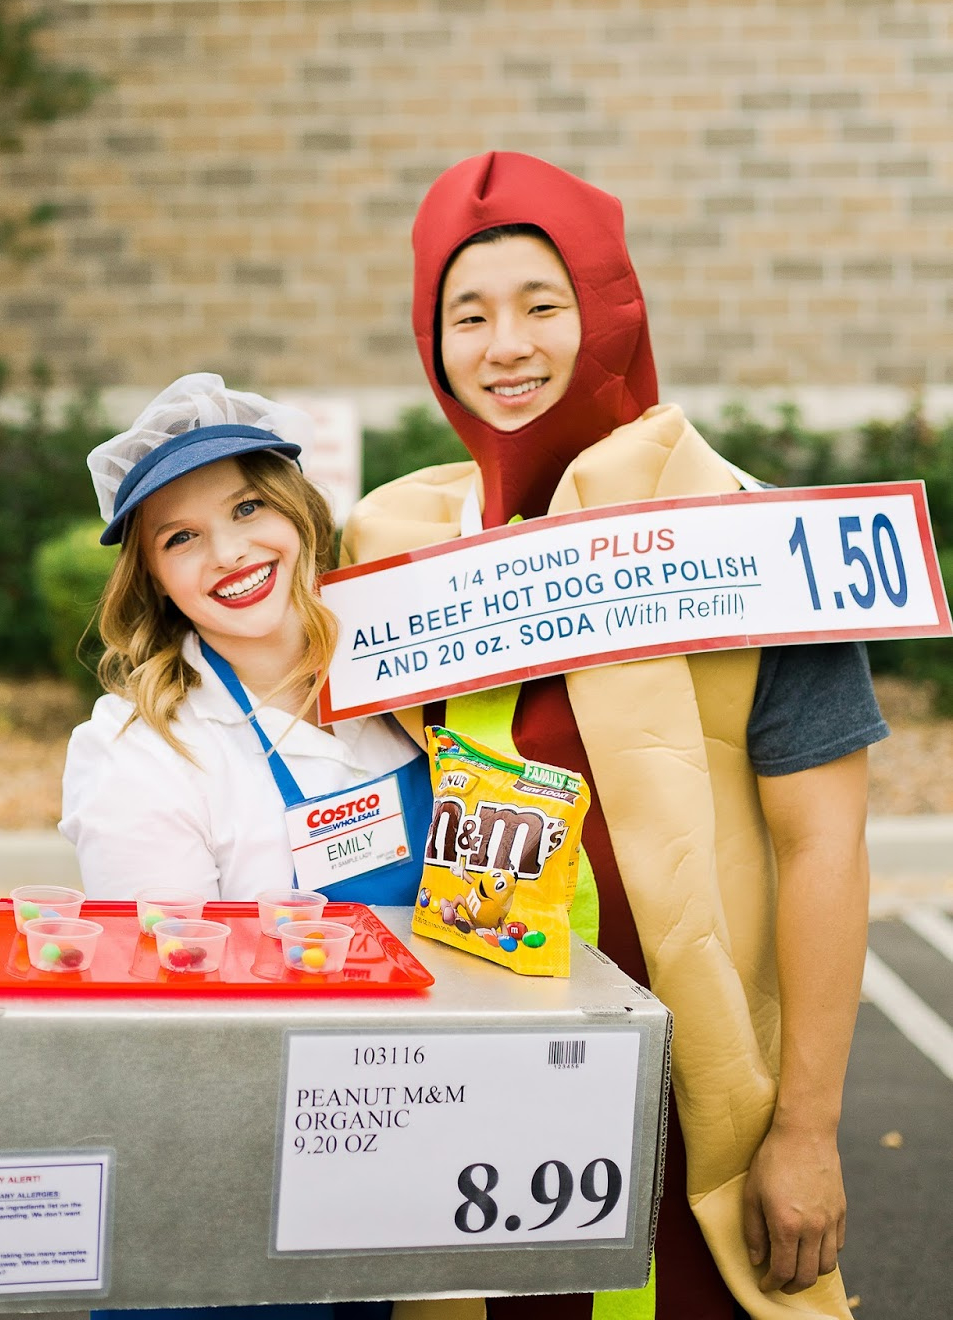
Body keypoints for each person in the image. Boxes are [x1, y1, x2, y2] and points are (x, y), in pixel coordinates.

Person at [341, 152, 889, 1320]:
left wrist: (803, 1128)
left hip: (700, 1109)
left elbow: (825, 850)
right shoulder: (394, 554)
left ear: (610, 308)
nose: (507, 346)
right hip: (469, 1103)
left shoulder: (740, 542)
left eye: (544, 304)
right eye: (467, 314)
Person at [60, 373, 459, 1320]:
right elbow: (177, 1030)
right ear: (152, 577)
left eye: (247, 507)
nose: (230, 552)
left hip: (412, 1159)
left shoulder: (407, 694)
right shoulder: (142, 754)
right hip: (228, 1194)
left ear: (299, 515)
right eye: (181, 537)